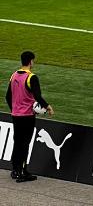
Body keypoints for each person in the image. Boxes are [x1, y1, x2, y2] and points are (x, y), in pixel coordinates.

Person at [5, 51, 53, 183]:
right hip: (27, 116)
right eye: (33, 61)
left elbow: (8, 97)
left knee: (17, 142)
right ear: (31, 61)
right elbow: (37, 97)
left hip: (16, 115)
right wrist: (47, 106)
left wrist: (14, 109)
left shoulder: (13, 75)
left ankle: (15, 170)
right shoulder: (32, 77)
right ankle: (22, 172)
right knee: (25, 143)